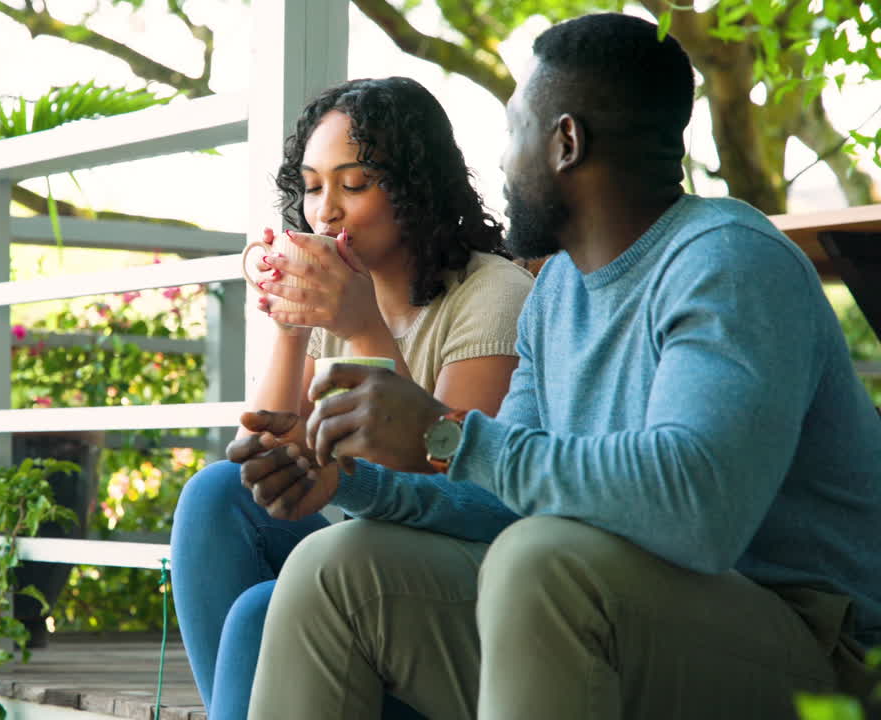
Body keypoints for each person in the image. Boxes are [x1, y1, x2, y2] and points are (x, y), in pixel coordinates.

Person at [237, 13, 881, 720]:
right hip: (626, 614)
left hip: (820, 652)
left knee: (542, 560)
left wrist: (448, 435)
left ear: (566, 142)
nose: (501, 162)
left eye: (514, 131)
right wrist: (352, 482)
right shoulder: (559, 295)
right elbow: (505, 500)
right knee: (336, 569)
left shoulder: (726, 261)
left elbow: (699, 511)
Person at [170, 76, 534, 720]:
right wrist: (291, 330)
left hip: (450, 605)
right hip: (349, 563)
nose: (325, 211)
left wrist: (362, 327)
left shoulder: (493, 295)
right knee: (216, 492)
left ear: (415, 187)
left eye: (354, 184)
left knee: (263, 612)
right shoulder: (337, 300)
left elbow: (447, 488)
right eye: (312, 187)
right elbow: (274, 467)